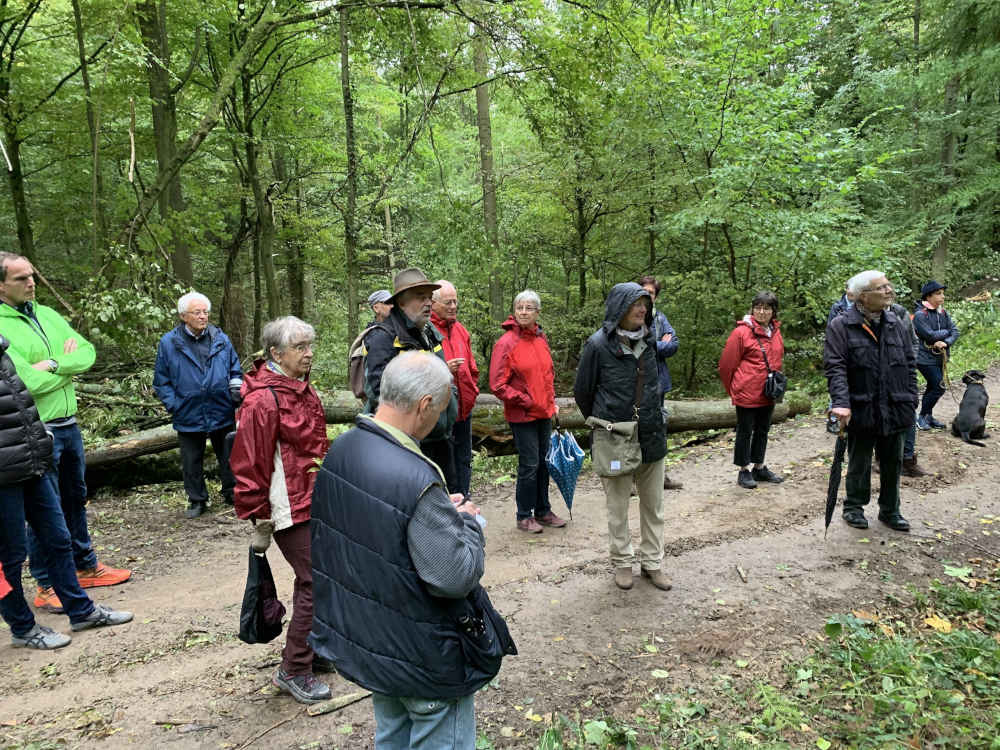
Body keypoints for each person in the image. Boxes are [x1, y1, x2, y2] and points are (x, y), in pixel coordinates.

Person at [311, 351, 508, 749]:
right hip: (422, 655)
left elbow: (374, 529)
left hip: (376, 644)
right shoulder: (414, 473)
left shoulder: (344, 449)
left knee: (393, 735)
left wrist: (436, 514)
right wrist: (465, 521)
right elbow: (453, 576)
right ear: (425, 406)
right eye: (442, 407)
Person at [0, 252, 130, 616]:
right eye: (20, 278)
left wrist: (57, 363)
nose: (31, 283)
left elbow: (87, 353)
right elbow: (23, 381)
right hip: (33, 431)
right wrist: (63, 370)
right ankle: (46, 584)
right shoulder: (2, 324)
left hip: (69, 422)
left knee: (75, 498)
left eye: (32, 276)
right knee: (45, 509)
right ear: (0, 285)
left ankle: (85, 566)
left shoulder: (48, 314)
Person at [0, 334, 133, 649]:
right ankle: (23, 629)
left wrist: (39, 444)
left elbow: (21, 402)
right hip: (4, 477)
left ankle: (81, 611)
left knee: (58, 539)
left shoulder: (3, 350)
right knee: (10, 558)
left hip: (32, 464)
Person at [229, 316, 331, 704]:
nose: (309, 353)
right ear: (276, 353)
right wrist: (258, 516)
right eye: (300, 347)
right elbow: (248, 462)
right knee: (314, 581)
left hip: (314, 498)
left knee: (325, 576)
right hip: (286, 506)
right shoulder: (262, 400)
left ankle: (316, 649)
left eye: (310, 345)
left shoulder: (302, 390)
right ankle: (293, 669)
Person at [574, 283, 671, 592]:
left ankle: (652, 563)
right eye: (635, 304)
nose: (642, 309)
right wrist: (608, 419)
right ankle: (622, 563)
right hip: (615, 437)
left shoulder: (651, 341)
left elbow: (655, 386)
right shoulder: (598, 345)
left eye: (645, 304)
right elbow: (583, 393)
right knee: (617, 506)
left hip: (652, 433)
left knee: (653, 505)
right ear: (620, 307)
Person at [825, 271, 917, 532]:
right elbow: (835, 367)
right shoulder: (841, 326)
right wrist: (841, 403)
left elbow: (910, 362)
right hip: (861, 406)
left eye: (889, 285)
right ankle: (853, 507)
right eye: (882, 287)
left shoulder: (896, 322)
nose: (889, 290)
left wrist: (911, 397)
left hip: (896, 404)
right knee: (860, 461)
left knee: (892, 462)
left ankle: (890, 510)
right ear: (863, 297)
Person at [363, 267, 458, 490]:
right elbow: (379, 392)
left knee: (447, 497)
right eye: (420, 297)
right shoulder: (382, 338)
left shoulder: (429, 332)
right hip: (407, 444)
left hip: (440, 438)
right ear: (401, 302)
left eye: (429, 297)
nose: (428, 303)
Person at [153, 292, 243, 518]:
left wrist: (234, 391)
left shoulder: (220, 338)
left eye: (205, 312)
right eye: (197, 312)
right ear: (184, 316)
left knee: (229, 454)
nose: (203, 317)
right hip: (188, 412)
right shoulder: (169, 343)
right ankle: (197, 500)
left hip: (221, 407)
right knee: (191, 460)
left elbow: (235, 368)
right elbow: (161, 381)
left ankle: (232, 492)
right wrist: (175, 405)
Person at [490, 290, 566, 533]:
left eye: (529, 308)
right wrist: (525, 400)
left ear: (537, 312)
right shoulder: (506, 343)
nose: (523, 312)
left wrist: (551, 402)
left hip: (544, 412)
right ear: (514, 311)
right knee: (530, 465)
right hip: (522, 415)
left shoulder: (541, 339)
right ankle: (524, 515)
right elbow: (497, 384)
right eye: (520, 307)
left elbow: (547, 376)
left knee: (545, 463)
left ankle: (543, 510)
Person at [718, 291, 786, 490]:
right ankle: (743, 470)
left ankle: (759, 466)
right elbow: (726, 366)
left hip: (768, 391)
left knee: (763, 430)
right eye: (758, 307)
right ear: (753, 309)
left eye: (766, 308)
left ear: (773, 311)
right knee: (745, 431)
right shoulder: (741, 332)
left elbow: (777, 358)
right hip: (746, 390)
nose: (762, 312)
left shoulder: (775, 331)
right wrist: (734, 389)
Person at [431, 280, 479, 498]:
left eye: (455, 302)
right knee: (444, 461)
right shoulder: (427, 332)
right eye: (447, 302)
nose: (452, 307)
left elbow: (472, 367)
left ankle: (465, 499)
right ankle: (448, 504)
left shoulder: (461, 330)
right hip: (441, 410)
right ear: (433, 303)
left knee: (464, 459)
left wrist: (473, 390)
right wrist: (443, 368)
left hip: (464, 409)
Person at [638, 276, 683, 491]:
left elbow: (673, 345)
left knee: (659, 428)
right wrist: (657, 344)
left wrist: (652, 345)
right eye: (644, 292)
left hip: (658, 382)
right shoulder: (630, 317)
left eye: (651, 293)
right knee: (634, 427)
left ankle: (661, 476)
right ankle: (631, 479)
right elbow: (634, 345)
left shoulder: (660, 318)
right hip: (637, 383)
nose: (648, 296)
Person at [912, 281, 959, 431]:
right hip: (924, 358)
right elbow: (930, 336)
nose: (942, 296)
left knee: (933, 386)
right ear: (929, 296)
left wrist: (946, 343)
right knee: (939, 386)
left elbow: (955, 331)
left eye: (942, 293)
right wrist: (946, 333)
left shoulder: (942, 312)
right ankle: (922, 417)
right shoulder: (920, 315)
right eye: (939, 294)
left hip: (939, 357)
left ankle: (928, 416)